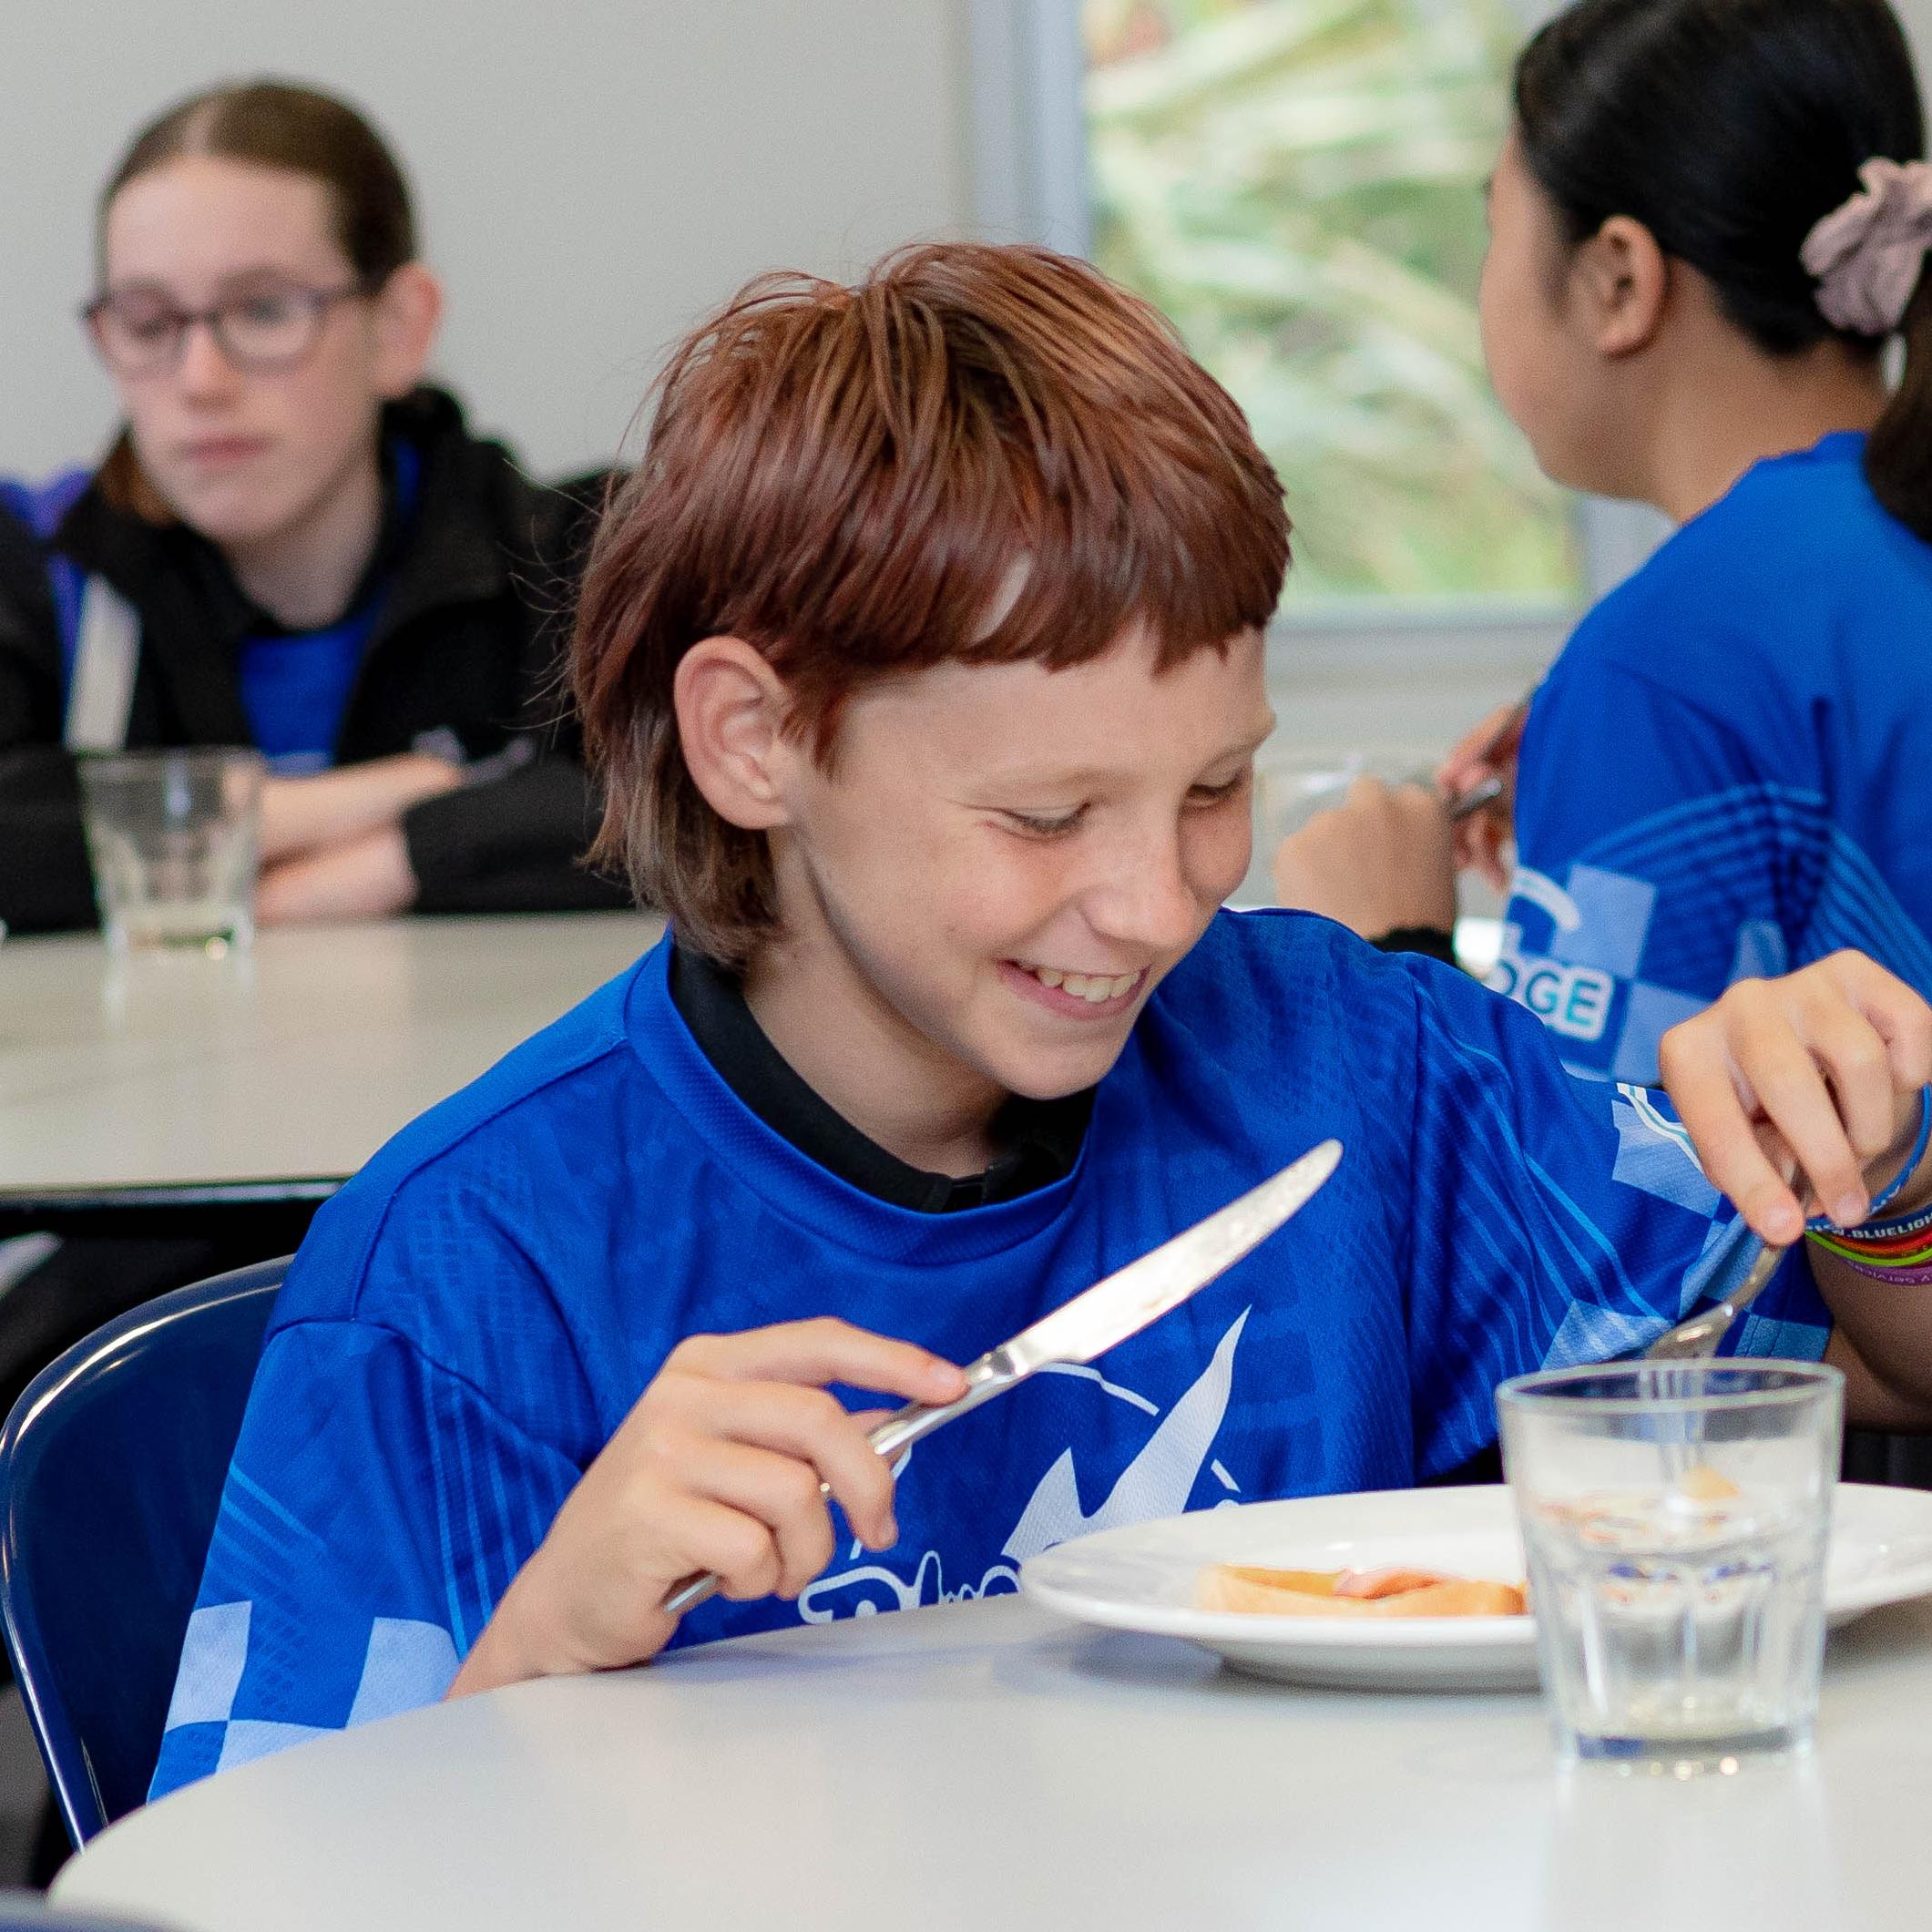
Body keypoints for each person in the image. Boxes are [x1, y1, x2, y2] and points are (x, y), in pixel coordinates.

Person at [150, 242, 1932, 1800]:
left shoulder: (1352, 1070)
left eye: (1214, 788)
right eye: (1044, 815)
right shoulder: (468, 1270)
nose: (1158, 903)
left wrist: (1878, 1143)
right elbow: (250, 1880)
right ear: (754, 740)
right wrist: (542, 1649)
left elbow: (1880, 1369)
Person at [1273, 0, 1932, 1088]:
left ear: (1619, 279)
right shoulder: (1850, 571)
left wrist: (1389, 948)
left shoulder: (1670, 658)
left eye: (1496, 227)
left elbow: (1579, 1184)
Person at [0, 79, 629, 933]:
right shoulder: (38, 562)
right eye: (148, 322)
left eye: (264, 309)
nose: (200, 380)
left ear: (399, 327)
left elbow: (717, 798)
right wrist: (369, 798)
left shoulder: (582, 555)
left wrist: (385, 863)